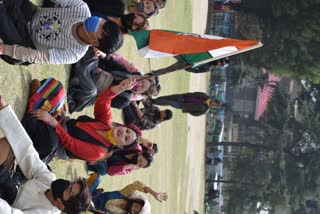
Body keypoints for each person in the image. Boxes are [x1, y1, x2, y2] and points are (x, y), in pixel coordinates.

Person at [0, 96, 91, 213]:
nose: (65, 184)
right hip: (10, 188)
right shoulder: (49, 180)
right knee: (7, 146)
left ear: (61, 206)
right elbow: (26, 152)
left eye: (68, 190)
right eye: (70, 183)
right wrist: (4, 109)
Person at [22, 78, 144, 163]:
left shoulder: (99, 153)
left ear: (121, 146)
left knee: (50, 141)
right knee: (58, 88)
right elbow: (103, 101)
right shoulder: (106, 123)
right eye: (127, 131)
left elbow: (69, 142)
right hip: (60, 120)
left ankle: (36, 109)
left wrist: (51, 121)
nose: (123, 133)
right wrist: (120, 88)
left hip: (58, 142)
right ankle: (37, 108)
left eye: (126, 138)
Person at [0, 0, 123, 65]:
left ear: (95, 43)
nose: (99, 22)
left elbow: (38, 56)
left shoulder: (74, 54)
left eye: (102, 30)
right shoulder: (81, 8)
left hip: (27, 41)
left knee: (15, 56)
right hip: (31, 14)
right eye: (104, 22)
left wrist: (4, 49)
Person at [67, 48, 160, 112]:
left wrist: (120, 88)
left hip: (90, 93)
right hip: (93, 73)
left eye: (142, 87)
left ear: (140, 93)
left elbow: (101, 101)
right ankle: (78, 76)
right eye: (142, 81)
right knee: (93, 54)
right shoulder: (127, 74)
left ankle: (78, 76)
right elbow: (110, 62)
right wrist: (102, 54)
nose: (139, 84)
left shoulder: (124, 100)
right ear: (140, 77)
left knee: (91, 90)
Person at [90, 180, 167, 213]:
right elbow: (137, 185)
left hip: (90, 208)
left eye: (135, 212)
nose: (132, 208)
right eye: (136, 206)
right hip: (92, 195)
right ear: (136, 201)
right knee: (98, 178)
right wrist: (153, 193)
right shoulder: (124, 193)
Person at [87, 148, 153, 176]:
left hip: (104, 164)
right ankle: (92, 158)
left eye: (140, 165)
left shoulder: (129, 169)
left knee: (104, 171)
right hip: (107, 151)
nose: (138, 163)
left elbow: (110, 172)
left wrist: (127, 166)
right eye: (140, 160)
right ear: (140, 152)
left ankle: (93, 159)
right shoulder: (134, 146)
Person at [151, 92, 224, 116]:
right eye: (215, 104)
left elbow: (195, 114)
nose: (213, 106)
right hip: (182, 97)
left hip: (183, 105)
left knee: (168, 102)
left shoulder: (205, 110)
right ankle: (154, 101)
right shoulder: (205, 96)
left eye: (215, 107)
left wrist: (188, 109)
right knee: (167, 98)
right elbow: (195, 93)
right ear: (214, 100)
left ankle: (152, 101)